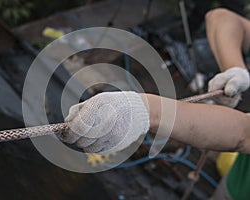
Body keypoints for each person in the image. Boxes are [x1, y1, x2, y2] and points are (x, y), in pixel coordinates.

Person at [59, 8, 250, 200]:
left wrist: (146, 112)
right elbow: (221, 18)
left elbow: (243, 134)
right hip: (235, 186)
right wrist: (236, 69)